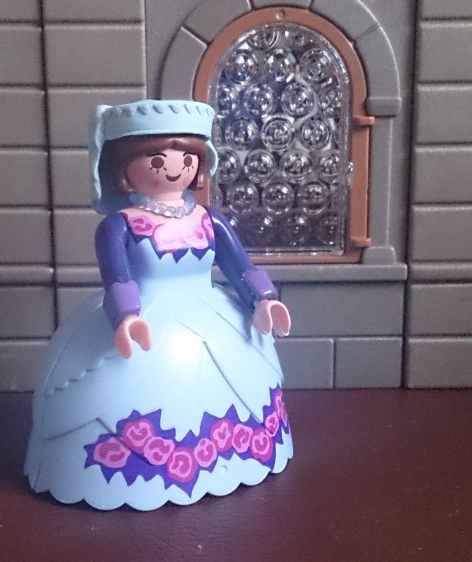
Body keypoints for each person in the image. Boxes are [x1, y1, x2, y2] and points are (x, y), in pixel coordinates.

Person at [24, 100, 293, 511]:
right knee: (117, 386)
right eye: (157, 159)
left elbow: (238, 266)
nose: (174, 168)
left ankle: (233, 453)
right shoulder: (119, 225)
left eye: (187, 158)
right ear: (123, 168)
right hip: (146, 318)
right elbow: (117, 277)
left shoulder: (209, 220)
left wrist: (264, 299)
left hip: (215, 316)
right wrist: (126, 316)